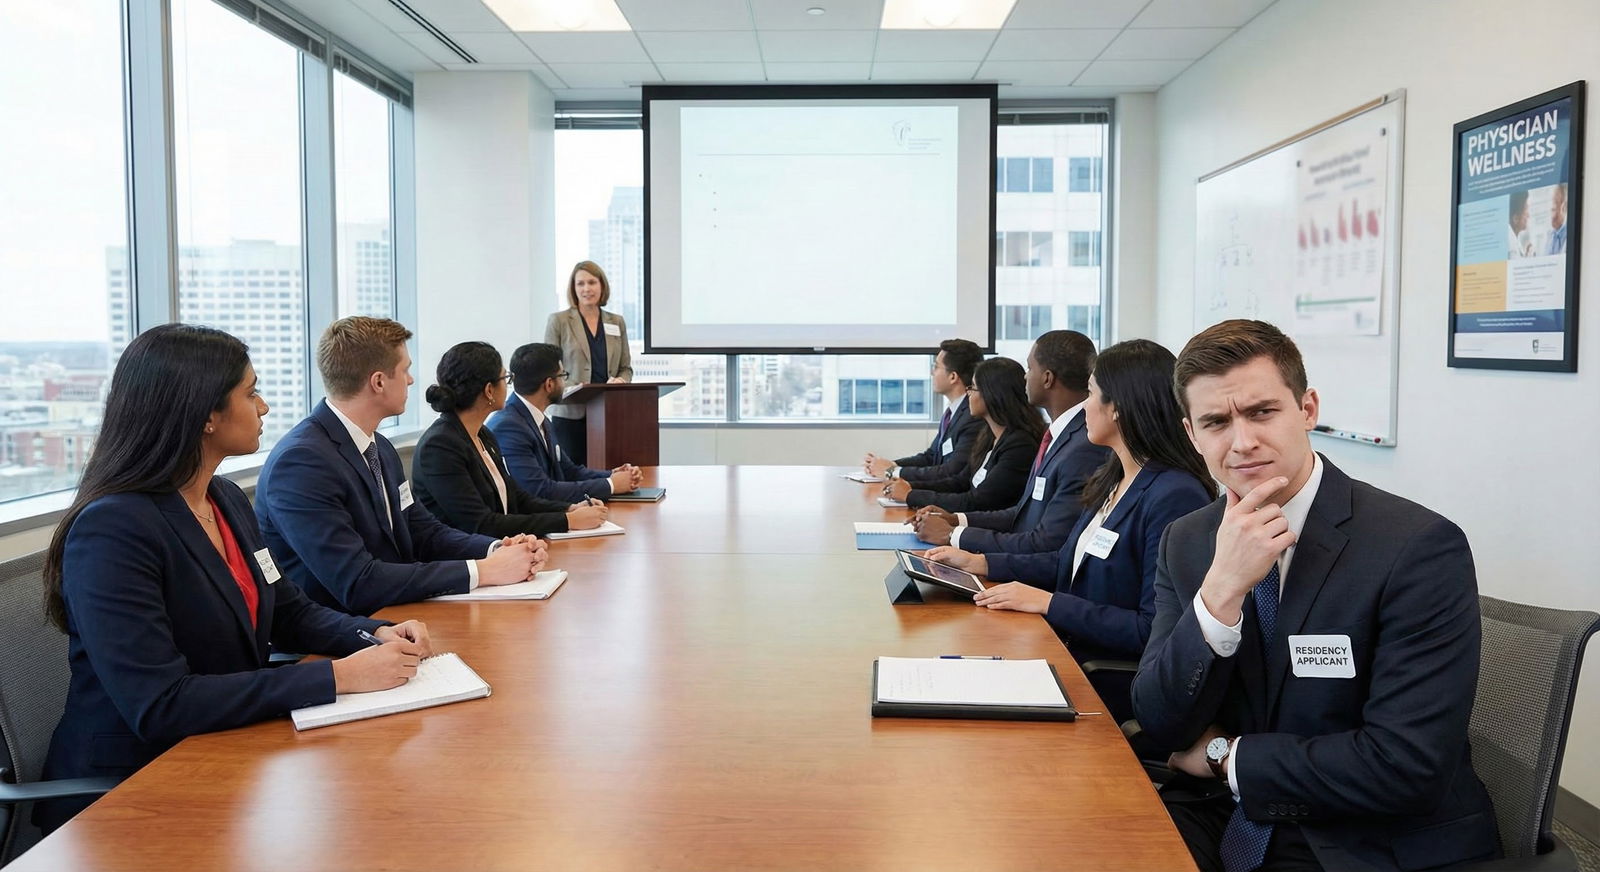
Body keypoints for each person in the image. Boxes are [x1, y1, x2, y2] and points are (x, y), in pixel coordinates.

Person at [1131, 320, 1497, 871]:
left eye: (1261, 412)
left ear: (1307, 409)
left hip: (1360, 837)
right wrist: (1221, 591)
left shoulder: (1416, 547)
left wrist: (1226, 758)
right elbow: (1160, 722)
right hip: (1217, 816)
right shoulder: (1187, 541)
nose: (1242, 441)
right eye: (1216, 422)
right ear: (1191, 435)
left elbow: (1406, 765)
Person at [35, 325, 433, 832]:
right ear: (205, 415)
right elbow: (162, 704)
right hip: (134, 789)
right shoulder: (112, 530)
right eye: (251, 392)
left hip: (228, 749)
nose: (264, 407)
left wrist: (371, 632)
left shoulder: (223, 499)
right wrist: (341, 676)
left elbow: (286, 610)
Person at [923, 340, 1214, 719]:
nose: (1085, 407)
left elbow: (1151, 630)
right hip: (1062, 649)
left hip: (1103, 679)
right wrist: (980, 563)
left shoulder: (1174, 495)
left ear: (1119, 409)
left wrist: (1049, 603)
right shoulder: (1114, 476)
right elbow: (1064, 562)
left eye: (1092, 394)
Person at [256, 317, 545, 616]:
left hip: (397, 616)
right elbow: (358, 582)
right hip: (343, 640)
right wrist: (483, 571)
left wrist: (497, 550)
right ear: (379, 381)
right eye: (405, 369)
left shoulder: (378, 446)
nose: (411, 380)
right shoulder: (301, 463)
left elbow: (422, 530)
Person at [910, 330, 1110, 556]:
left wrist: (951, 535)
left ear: (1047, 378)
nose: (1025, 376)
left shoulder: (1083, 447)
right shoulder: (1058, 436)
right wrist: (956, 520)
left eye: (1029, 368)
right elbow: (1023, 514)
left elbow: (1046, 542)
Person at [411, 341, 611, 539]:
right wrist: (567, 521)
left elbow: (517, 498)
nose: (509, 386)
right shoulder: (440, 446)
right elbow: (482, 523)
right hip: (464, 560)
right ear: (489, 390)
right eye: (505, 378)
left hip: (499, 549)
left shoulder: (483, 435)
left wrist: (569, 509)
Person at [884, 357, 1043, 513]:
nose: (968, 394)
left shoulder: (1020, 446)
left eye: (973, 387)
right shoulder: (989, 435)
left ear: (992, 394)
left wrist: (912, 495)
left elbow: (976, 501)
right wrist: (910, 487)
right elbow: (960, 481)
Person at [488, 341, 642, 503]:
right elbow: (539, 490)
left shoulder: (540, 419)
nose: (565, 382)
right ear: (549, 384)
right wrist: (610, 485)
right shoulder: (509, 426)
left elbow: (568, 471)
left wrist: (613, 474)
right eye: (563, 376)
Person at [545, 260, 633, 467]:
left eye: (592, 282)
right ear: (573, 289)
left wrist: (621, 380)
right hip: (569, 414)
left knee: (607, 470)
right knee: (571, 474)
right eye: (580, 284)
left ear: (602, 286)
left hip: (607, 413)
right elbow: (548, 367)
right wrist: (572, 387)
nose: (586, 289)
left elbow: (626, 368)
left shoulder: (616, 322)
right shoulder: (559, 321)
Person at [863, 338, 984, 484]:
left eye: (936, 367)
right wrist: (890, 465)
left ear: (953, 377)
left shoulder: (972, 415)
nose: (932, 373)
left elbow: (951, 470)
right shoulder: (953, 412)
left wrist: (892, 471)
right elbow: (931, 457)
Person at [1508, 189, 1534, 258]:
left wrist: (1526, 257)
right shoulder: (1511, 247)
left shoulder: (1515, 239)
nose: (1528, 215)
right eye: (1526, 208)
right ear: (1516, 219)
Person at [1547, 182, 1568, 255]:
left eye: (1554, 203)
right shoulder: (1549, 235)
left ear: (1564, 207)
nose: (1550, 207)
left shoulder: (1568, 236)